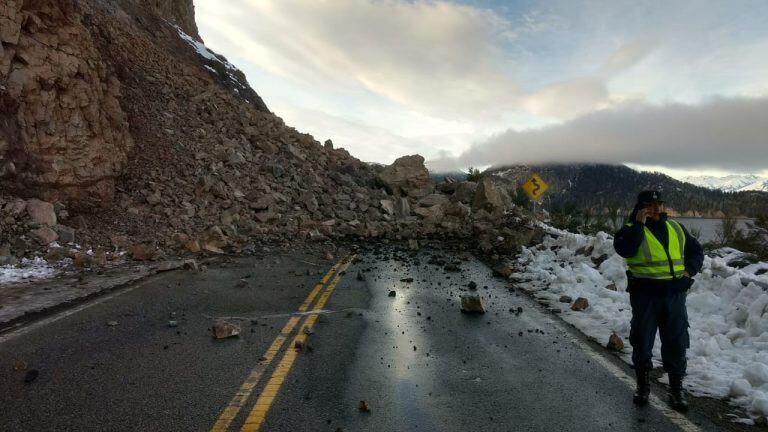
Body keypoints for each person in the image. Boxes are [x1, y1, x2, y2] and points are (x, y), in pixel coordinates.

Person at [613, 190, 704, 412]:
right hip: (645, 297)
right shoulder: (628, 231)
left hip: (674, 295)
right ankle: (643, 386)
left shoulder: (676, 228)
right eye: (650, 205)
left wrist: (689, 272)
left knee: (676, 342)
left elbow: (696, 252)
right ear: (640, 207)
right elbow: (625, 250)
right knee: (642, 341)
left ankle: (676, 389)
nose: (656, 209)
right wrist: (637, 225)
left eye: (659, 204)